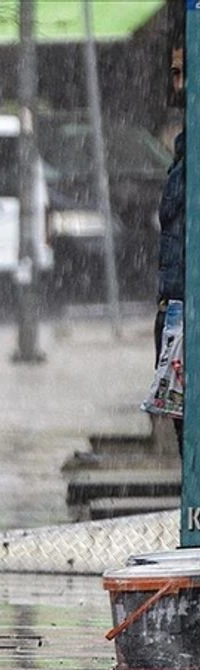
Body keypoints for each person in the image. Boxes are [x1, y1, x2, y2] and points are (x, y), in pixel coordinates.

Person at [156, 44, 186, 455]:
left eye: (183, 73)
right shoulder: (185, 145)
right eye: (173, 73)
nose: (176, 85)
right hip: (178, 314)